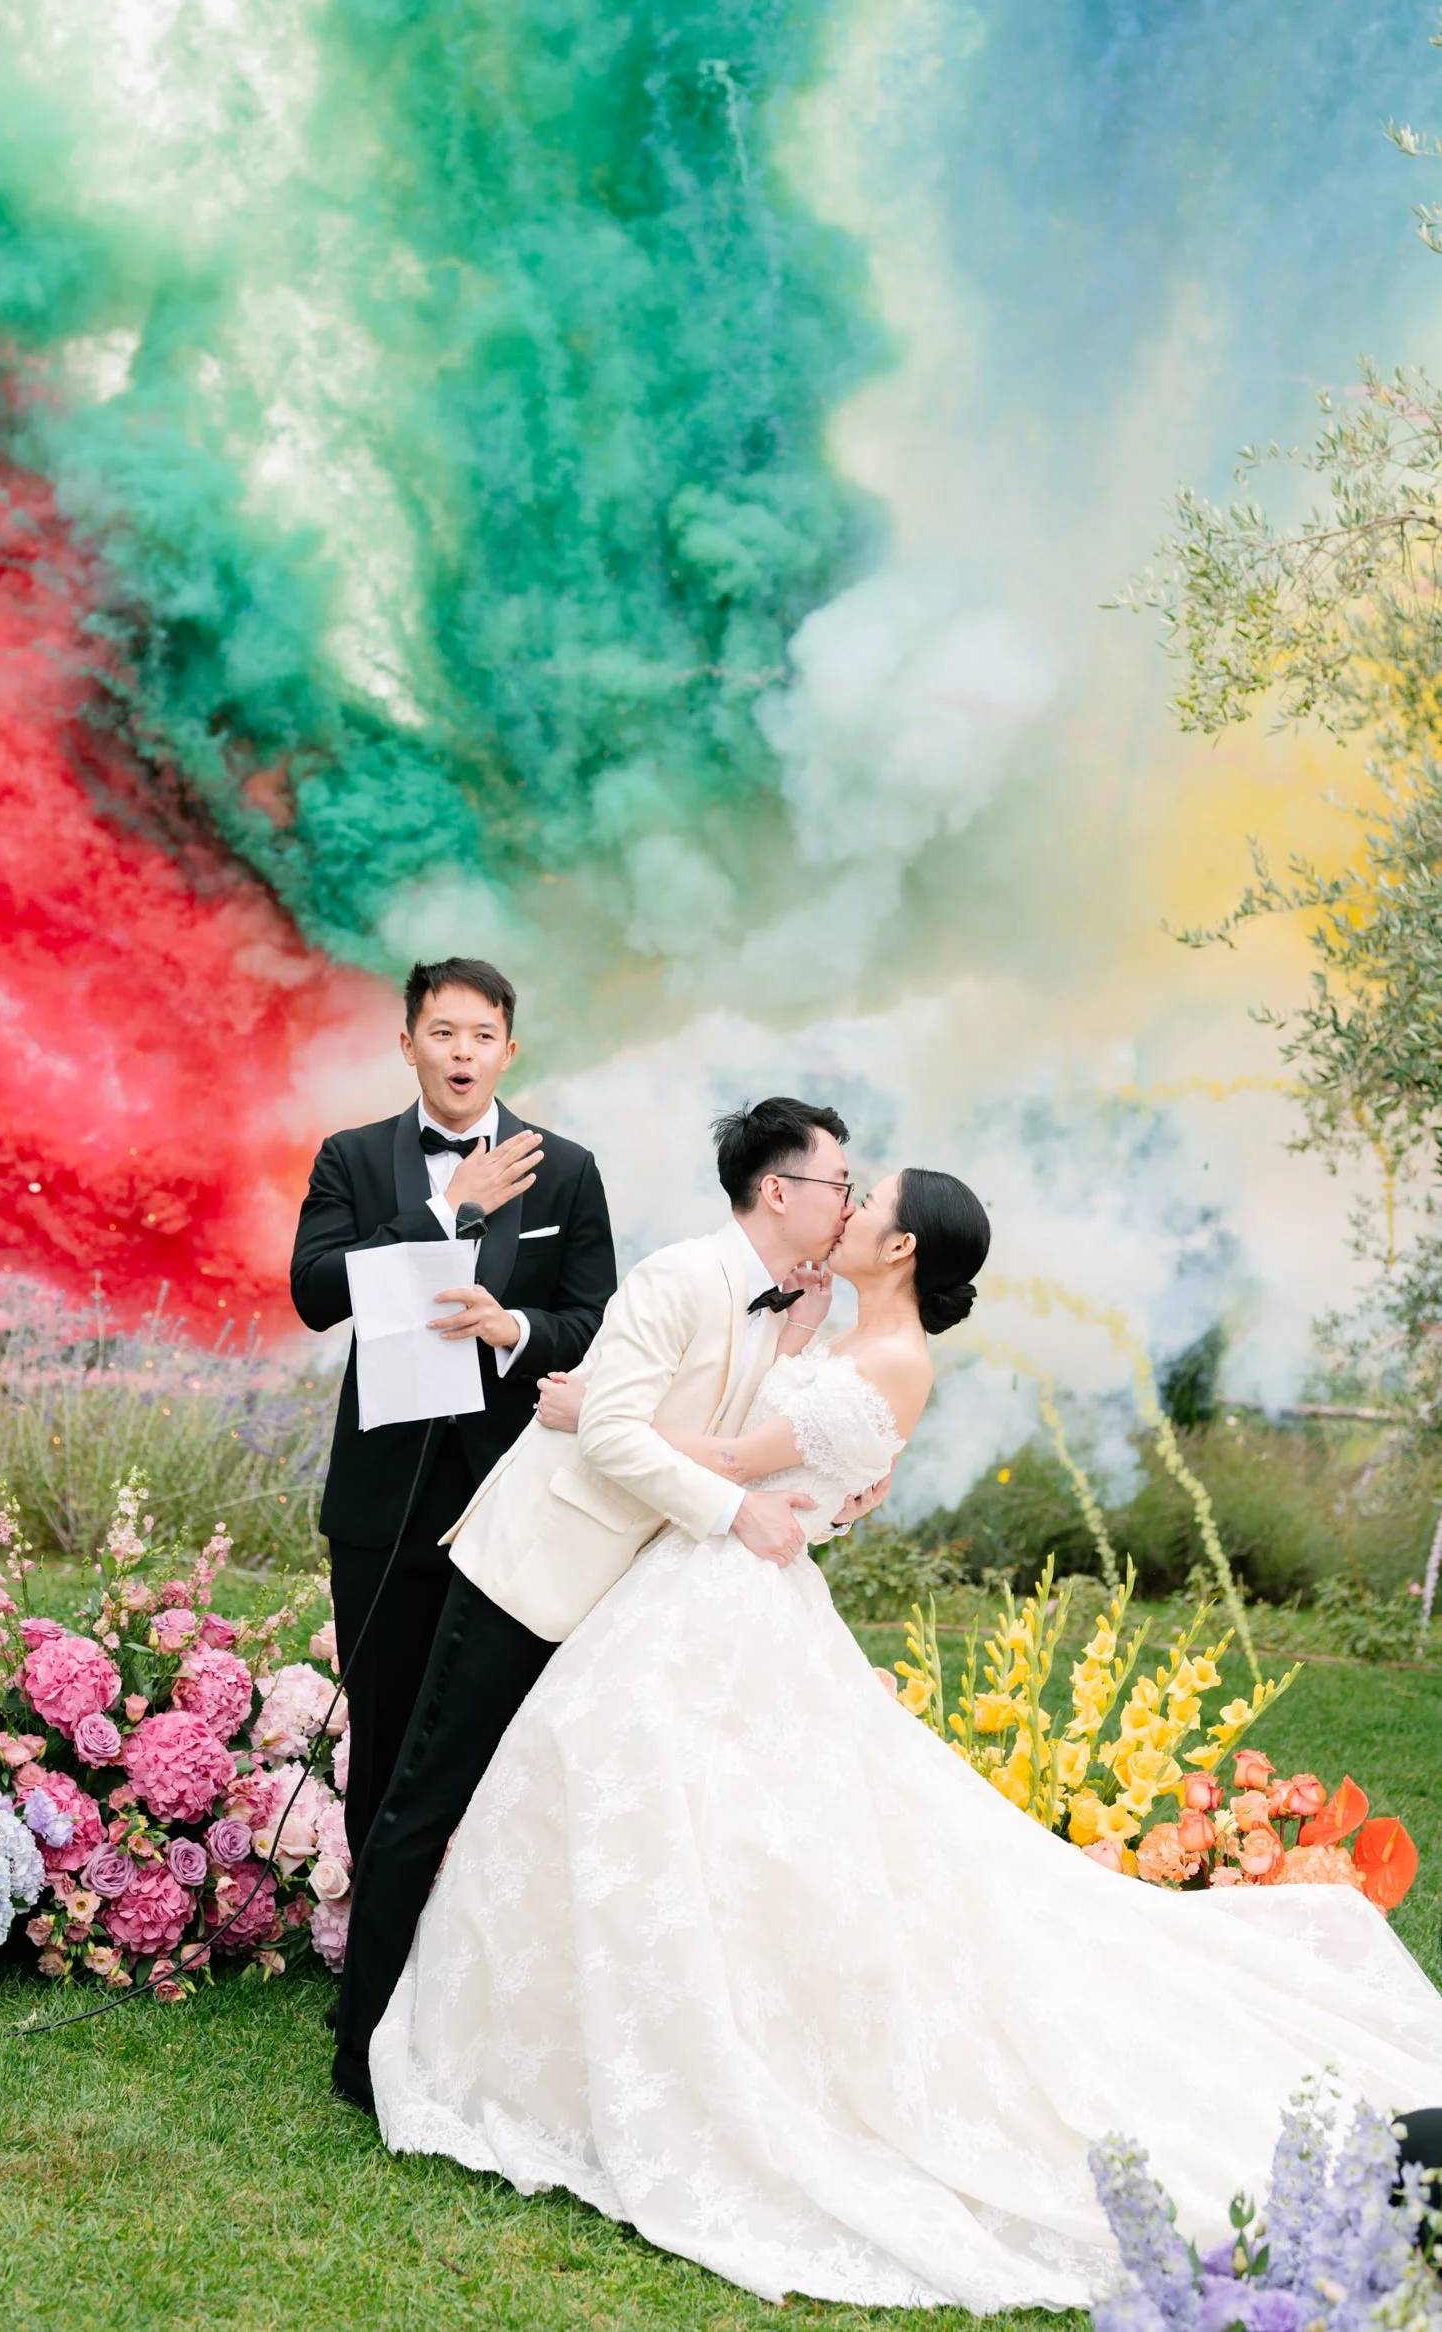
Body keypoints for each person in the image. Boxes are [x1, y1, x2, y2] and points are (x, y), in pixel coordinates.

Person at [371, 1168, 1442, 2313]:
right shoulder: (832, 1324)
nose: (849, 1204)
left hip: (730, 1587)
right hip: (704, 1582)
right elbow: (764, 1440)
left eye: (866, 1198)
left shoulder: (895, 1360)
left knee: (715, 1821)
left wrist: (599, 1413)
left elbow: (733, 1462)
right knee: (656, 1803)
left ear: (903, 1249)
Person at [331, 1097, 889, 2114]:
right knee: (428, 1798)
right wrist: (736, 1514)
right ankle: (358, 2047)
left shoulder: (772, 1300)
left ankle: (479, 2036)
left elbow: (733, 1435)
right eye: (837, 1183)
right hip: (532, 1569)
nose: (847, 1202)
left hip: (623, 1599)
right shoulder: (680, 1276)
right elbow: (615, 1438)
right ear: (778, 1191)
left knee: (529, 1819)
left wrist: (804, 1371)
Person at [289, 956, 614, 1868]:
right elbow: (314, 1292)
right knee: (384, 1725)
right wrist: (442, 1209)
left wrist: (512, 1327)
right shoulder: (350, 1157)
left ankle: (482, 1955)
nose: (461, 1053)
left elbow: (594, 1322)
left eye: (481, 1036)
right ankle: (373, 1963)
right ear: (406, 1045)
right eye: (443, 1033)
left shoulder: (568, 1172)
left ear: (509, 1050)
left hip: (515, 1492)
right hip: (383, 1500)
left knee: (508, 1727)